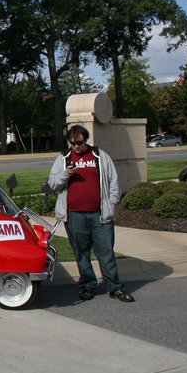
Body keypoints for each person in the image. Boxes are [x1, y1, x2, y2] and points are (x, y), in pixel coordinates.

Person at [46, 125, 134, 302]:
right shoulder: (63, 158)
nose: (76, 146)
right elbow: (52, 184)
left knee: (106, 253)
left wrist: (112, 203)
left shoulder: (100, 156)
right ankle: (87, 285)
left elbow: (113, 181)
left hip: (99, 214)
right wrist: (66, 174)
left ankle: (114, 287)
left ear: (86, 140)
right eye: (73, 143)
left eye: (79, 142)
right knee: (81, 254)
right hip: (74, 215)